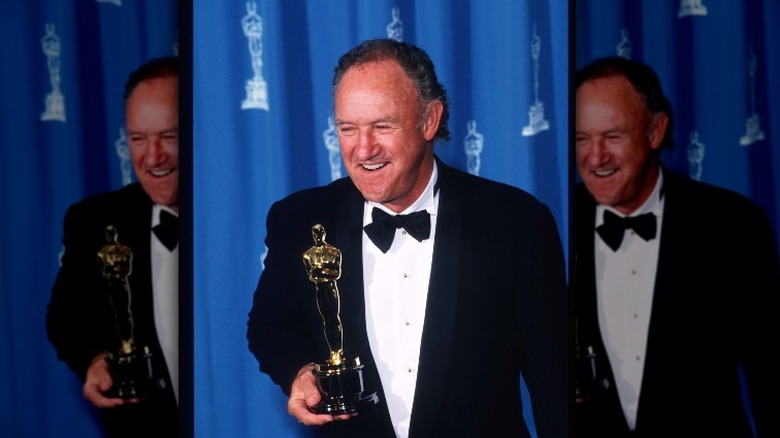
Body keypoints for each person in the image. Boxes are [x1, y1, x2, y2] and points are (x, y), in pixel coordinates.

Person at [247, 38, 568, 438]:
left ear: (430, 120)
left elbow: (554, 381)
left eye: (383, 126)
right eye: (348, 128)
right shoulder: (299, 220)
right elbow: (269, 325)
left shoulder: (515, 222)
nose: (364, 149)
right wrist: (298, 371)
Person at [573, 56, 779, 437]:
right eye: (582, 139)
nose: (595, 157)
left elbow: (770, 377)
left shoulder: (733, 225)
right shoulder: (555, 222)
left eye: (613, 136)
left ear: (655, 131)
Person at [46, 56, 179, 437]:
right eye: (138, 138)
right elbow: (64, 319)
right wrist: (93, 360)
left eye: (168, 136)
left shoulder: (239, 215)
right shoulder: (94, 221)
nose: (152, 158)